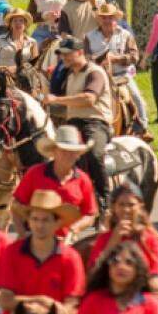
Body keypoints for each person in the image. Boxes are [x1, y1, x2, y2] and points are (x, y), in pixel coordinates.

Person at [0, 190, 86, 314]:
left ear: (57, 223)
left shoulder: (71, 257)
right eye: (35, 219)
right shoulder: (12, 252)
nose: (39, 225)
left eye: (45, 220)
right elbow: (5, 301)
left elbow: (72, 307)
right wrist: (41, 301)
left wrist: (52, 312)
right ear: (29, 221)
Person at [46, 38, 114, 215]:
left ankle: (105, 200)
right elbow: (63, 103)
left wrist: (57, 99)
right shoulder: (69, 76)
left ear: (80, 52)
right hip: (72, 124)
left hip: (96, 122)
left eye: (68, 54)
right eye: (62, 55)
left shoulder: (95, 72)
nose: (64, 58)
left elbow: (89, 99)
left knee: (93, 153)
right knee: (55, 155)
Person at [11, 125, 98, 239]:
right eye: (63, 150)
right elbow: (16, 206)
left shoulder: (83, 180)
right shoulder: (35, 173)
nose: (68, 155)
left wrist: (75, 229)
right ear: (54, 151)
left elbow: (90, 214)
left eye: (72, 152)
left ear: (78, 155)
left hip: (66, 241)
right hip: (33, 238)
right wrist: (22, 236)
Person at [84, 182, 158, 289]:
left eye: (131, 205)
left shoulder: (150, 238)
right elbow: (94, 272)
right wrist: (114, 239)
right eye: (121, 204)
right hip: (109, 293)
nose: (126, 209)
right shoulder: (104, 238)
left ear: (140, 206)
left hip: (140, 294)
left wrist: (151, 281)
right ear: (114, 207)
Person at [85, 2, 149, 137]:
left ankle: (142, 127)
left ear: (116, 18)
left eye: (110, 17)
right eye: (104, 17)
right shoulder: (89, 37)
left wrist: (115, 59)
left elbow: (134, 56)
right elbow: (85, 57)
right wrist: (97, 60)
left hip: (121, 76)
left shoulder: (125, 35)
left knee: (136, 98)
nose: (107, 20)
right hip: (98, 76)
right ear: (100, 19)